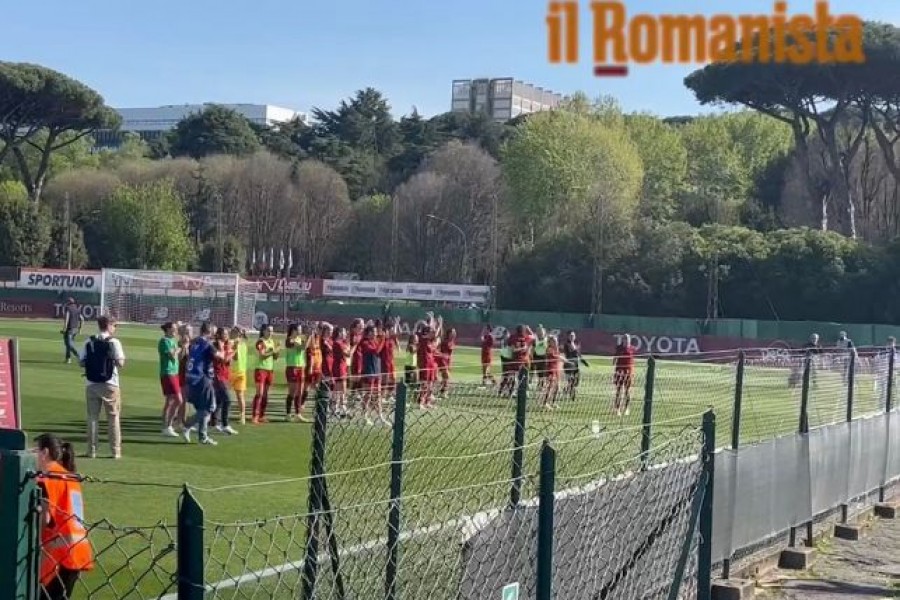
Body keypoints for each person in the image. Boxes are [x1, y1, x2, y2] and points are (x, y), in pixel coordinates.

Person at [34, 433, 93, 600]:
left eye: (35, 450)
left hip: (58, 554)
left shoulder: (46, 479)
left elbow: (45, 519)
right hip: (78, 549)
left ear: (44, 452)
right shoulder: (70, 476)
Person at [80, 316, 126, 460]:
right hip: (110, 383)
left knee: (93, 417)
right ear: (109, 325)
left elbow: (81, 362)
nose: (115, 328)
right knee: (113, 417)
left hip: (91, 383)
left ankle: (92, 450)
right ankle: (115, 451)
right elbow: (121, 363)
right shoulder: (114, 342)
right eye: (115, 325)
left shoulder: (89, 341)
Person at [183, 322, 223, 445]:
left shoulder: (194, 342)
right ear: (209, 331)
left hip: (191, 378)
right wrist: (222, 348)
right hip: (202, 378)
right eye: (214, 332)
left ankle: (203, 436)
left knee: (202, 407)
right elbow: (219, 356)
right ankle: (187, 425)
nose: (215, 334)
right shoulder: (208, 344)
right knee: (210, 407)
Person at [158, 322, 184, 437]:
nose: (176, 331)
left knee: (169, 401)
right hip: (168, 373)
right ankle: (168, 425)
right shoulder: (163, 341)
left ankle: (165, 426)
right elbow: (172, 355)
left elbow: (179, 357)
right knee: (179, 400)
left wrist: (183, 347)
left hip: (174, 372)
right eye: (174, 329)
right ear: (168, 329)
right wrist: (179, 347)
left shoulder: (172, 341)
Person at [250, 324, 279, 424]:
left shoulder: (271, 341)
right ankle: (255, 416)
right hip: (261, 369)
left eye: (272, 331)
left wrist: (277, 352)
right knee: (260, 393)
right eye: (268, 331)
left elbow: (274, 357)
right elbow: (262, 356)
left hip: (269, 370)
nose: (270, 333)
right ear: (263, 331)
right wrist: (272, 352)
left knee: (266, 394)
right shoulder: (261, 341)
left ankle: (262, 415)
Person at [212, 327, 238, 435]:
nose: (227, 336)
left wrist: (232, 349)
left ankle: (214, 423)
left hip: (225, 375)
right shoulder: (215, 345)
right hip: (217, 376)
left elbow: (231, 361)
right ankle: (225, 424)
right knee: (227, 399)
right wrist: (233, 350)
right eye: (224, 334)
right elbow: (225, 359)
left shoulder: (226, 345)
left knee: (219, 400)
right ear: (219, 335)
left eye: (227, 334)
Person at [360, 325, 387, 424]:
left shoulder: (375, 341)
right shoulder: (365, 342)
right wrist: (383, 339)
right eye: (373, 332)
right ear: (369, 333)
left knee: (378, 395)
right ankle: (364, 416)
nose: (375, 333)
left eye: (376, 331)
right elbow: (376, 351)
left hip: (377, 371)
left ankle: (380, 416)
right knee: (368, 394)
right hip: (369, 371)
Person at [283, 324, 309, 423]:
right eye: (298, 329)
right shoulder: (289, 340)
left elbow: (303, 347)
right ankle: (288, 414)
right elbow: (302, 348)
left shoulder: (300, 339)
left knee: (300, 392)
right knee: (292, 392)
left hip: (301, 367)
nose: (300, 331)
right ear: (293, 330)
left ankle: (298, 414)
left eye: (300, 329)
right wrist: (309, 338)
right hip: (292, 367)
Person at [229, 327, 249, 425]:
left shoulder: (233, 343)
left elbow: (235, 358)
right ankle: (242, 417)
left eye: (232, 332)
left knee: (225, 394)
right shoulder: (243, 343)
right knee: (240, 396)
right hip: (242, 371)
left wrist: (234, 347)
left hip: (233, 371)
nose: (230, 333)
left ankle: (220, 415)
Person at [613, 334, 636, 417]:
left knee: (627, 390)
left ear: (629, 340)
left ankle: (626, 408)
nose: (626, 340)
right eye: (625, 339)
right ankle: (617, 408)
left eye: (627, 339)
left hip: (628, 371)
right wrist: (614, 362)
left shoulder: (632, 348)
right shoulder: (619, 348)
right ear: (622, 340)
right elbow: (615, 357)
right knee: (618, 390)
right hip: (619, 371)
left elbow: (632, 359)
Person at [563, 331, 589, 401]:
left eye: (573, 335)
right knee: (571, 380)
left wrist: (584, 362)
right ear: (568, 336)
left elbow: (579, 354)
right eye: (570, 335)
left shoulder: (577, 344)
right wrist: (575, 350)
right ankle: (572, 395)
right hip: (569, 365)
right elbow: (569, 353)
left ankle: (566, 389)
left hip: (576, 365)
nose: (572, 337)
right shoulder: (566, 344)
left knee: (576, 381)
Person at [380, 317, 400, 403]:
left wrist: (396, 324)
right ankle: (382, 396)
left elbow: (396, 334)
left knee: (393, 379)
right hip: (384, 361)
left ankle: (390, 395)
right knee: (385, 378)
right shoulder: (382, 338)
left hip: (391, 361)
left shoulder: (391, 338)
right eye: (391, 329)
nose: (393, 331)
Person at [541, 336, 563, 409]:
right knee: (549, 387)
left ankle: (553, 402)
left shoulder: (556, 349)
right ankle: (545, 403)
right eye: (554, 341)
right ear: (550, 342)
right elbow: (556, 357)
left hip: (556, 370)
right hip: (550, 369)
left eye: (556, 341)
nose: (556, 342)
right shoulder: (549, 349)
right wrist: (565, 360)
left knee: (557, 387)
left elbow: (558, 357)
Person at [332, 327, 351, 416]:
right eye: (343, 332)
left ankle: (336, 407)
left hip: (341, 366)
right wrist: (352, 347)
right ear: (339, 333)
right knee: (342, 388)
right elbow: (348, 353)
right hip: (339, 367)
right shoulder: (338, 343)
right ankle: (341, 407)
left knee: (339, 388)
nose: (345, 334)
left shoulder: (340, 343)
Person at [60, 298, 83, 365]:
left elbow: (67, 319)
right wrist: (80, 329)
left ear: (68, 303)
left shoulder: (68, 308)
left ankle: (78, 355)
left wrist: (64, 328)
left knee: (69, 344)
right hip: (75, 329)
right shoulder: (77, 309)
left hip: (69, 329)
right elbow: (82, 319)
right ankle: (68, 359)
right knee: (68, 344)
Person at [436, 327, 457, 398]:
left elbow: (451, 353)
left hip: (448, 360)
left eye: (454, 332)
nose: (454, 333)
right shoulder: (445, 341)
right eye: (452, 332)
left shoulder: (452, 341)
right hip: (442, 360)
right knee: (447, 377)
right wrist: (440, 354)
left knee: (445, 378)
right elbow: (438, 348)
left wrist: (451, 361)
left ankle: (442, 392)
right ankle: (443, 391)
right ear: (448, 333)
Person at [532, 326, 549, 390]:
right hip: (535, 357)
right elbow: (532, 349)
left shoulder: (547, 340)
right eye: (538, 331)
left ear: (544, 332)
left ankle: (541, 386)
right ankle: (530, 384)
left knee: (542, 373)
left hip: (544, 357)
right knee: (533, 372)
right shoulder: (534, 340)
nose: (540, 333)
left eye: (541, 331)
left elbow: (548, 349)